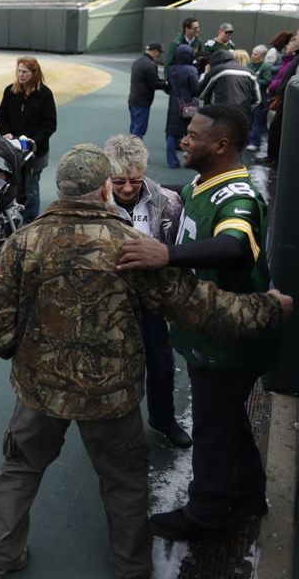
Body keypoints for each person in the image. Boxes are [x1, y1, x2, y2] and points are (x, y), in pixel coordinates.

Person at [0, 143, 292, 579]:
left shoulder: (25, 241)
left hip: (39, 390)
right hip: (111, 395)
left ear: (63, 189)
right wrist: (269, 308)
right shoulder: (130, 245)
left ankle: (1, 557)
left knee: (19, 470)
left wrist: (14, 351)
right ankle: (131, 569)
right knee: (124, 485)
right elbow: (196, 304)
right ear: (105, 188)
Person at [116, 105, 281, 540]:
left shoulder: (237, 196)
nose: (183, 139)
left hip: (225, 337)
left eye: (193, 134)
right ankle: (247, 490)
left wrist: (166, 255)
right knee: (226, 417)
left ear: (221, 145)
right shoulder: (204, 182)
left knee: (210, 429)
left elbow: (235, 248)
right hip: (207, 328)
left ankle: (206, 514)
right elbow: (182, 201)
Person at [103, 134, 191, 448]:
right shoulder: (93, 203)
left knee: (162, 365)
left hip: (151, 301)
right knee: (114, 370)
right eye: (119, 181)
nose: (127, 188)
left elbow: (177, 252)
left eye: (135, 181)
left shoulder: (167, 201)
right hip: (108, 304)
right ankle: (115, 429)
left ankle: (163, 418)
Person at [0, 56, 57, 224]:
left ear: (34, 73)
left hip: (35, 152)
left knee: (31, 187)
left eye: (25, 72)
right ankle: (14, 218)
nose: (21, 74)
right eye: (19, 71)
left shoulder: (45, 94)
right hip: (13, 150)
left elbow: (50, 124)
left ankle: (29, 221)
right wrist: (6, 133)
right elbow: (2, 118)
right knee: (16, 185)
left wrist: (34, 142)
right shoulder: (10, 91)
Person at [265, 23, 299, 166]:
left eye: (298, 33)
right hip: (286, 95)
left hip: (289, 97)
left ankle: (273, 159)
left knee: (277, 128)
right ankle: (272, 158)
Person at [164, 43, 200, 169]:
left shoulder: (171, 69)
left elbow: (168, 88)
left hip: (174, 104)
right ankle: (191, 159)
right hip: (189, 105)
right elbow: (196, 90)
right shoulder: (192, 70)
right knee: (191, 132)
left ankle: (172, 161)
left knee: (171, 133)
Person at [196, 49, 260, 114]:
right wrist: (246, 109)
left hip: (220, 113)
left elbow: (201, 94)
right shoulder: (250, 73)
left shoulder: (217, 70)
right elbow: (257, 99)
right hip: (242, 114)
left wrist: (205, 74)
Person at [128, 42, 168, 138]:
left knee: (133, 127)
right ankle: (134, 151)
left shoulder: (137, 61)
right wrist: (166, 84)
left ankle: (129, 148)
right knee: (139, 130)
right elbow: (154, 84)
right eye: (159, 52)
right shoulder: (150, 64)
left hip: (133, 99)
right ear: (154, 51)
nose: (159, 55)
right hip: (143, 102)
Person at [245, 45, 277, 153]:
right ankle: (247, 140)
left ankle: (254, 143)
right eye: (252, 53)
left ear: (262, 56)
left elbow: (267, 81)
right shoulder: (249, 65)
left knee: (257, 122)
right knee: (248, 121)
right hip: (249, 98)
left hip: (260, 99)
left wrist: (254, 81)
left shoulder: (265, 67)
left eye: (255, 54)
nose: (252, 55)